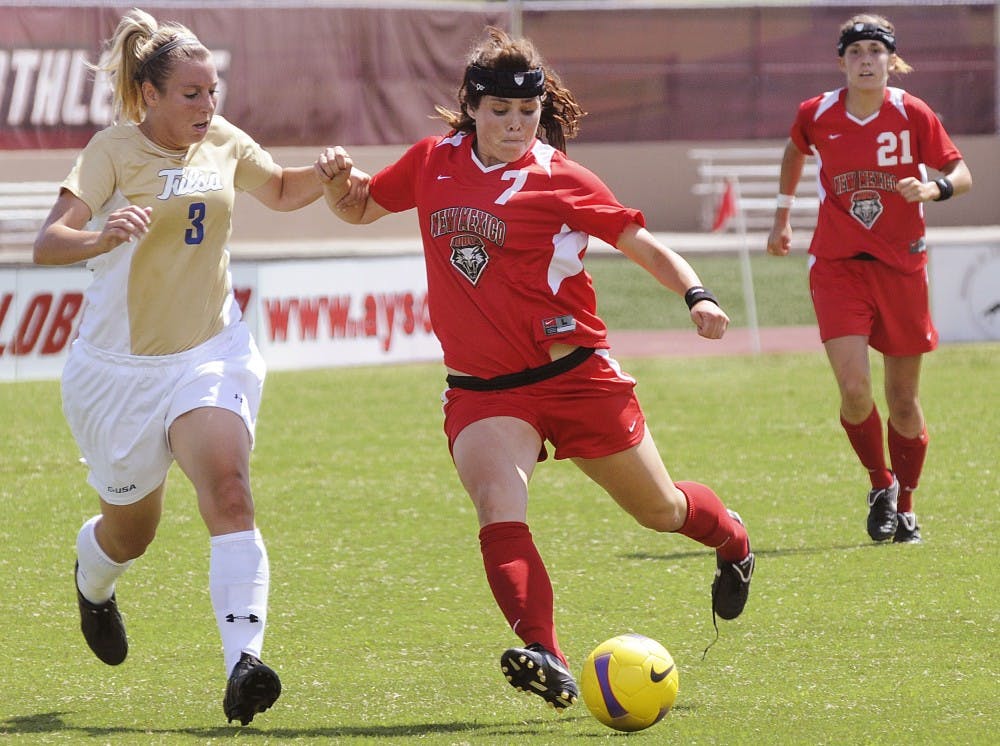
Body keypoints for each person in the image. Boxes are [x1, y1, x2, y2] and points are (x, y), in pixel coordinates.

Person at [313, 26, 755, 710]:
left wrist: (697, 293)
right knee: (498, 506)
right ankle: (545, 651)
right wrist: (339, 185)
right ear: (472, 106)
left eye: (528, 113)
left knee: (661, 510)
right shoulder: (433, 161)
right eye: (500, 112)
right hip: (484, 392)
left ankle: (731, 537)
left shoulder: (561, 177)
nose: (516, 126)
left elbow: (641, 244)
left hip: (576, 378)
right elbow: (360, 208)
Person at [33, 8, 363, 726]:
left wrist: (326, 173)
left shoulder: (221, 141)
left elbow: (278, 189)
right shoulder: (111, 151)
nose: (207, 106)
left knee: (230, 489)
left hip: (210, 353)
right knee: (131, 534)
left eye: (212, 91)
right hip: (117, 374)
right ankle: (93, 583)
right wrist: (97, 235)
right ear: (149, 94)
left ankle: (243, 663)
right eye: (191, 93)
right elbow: (48, 243)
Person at [766, 14, 972, 544]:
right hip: (838, 267)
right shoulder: (817, 112)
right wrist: (783, 214)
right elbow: (795, 150)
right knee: (855, 389)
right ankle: (880, 484)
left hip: (903, 268)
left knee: (903, 401)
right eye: (855, 51)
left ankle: (905, 503)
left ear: (891, 61)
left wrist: (934, 191)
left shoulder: (913, 114)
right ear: (841, 62)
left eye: (875, 51)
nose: (865, 60)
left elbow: (960, 173)